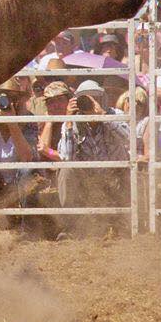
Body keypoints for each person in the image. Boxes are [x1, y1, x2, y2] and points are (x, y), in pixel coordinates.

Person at [56, 80, 130, 237]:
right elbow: (67, 157)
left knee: (129, 170)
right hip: (86, 178)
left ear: (102, 99)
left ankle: (124, 224)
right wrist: (69, 120)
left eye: (94, 98)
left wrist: (103, 117)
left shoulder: (114, 115)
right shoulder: (72, 122)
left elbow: (128, 139)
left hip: (114, 174)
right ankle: (72, 227)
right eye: (85, 99)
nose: (89, 103)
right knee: (66, 170)